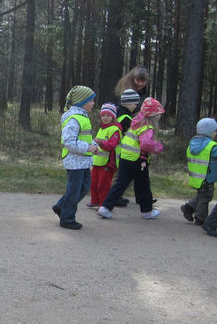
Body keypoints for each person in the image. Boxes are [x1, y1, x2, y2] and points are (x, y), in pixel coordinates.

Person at [97, 97, 165, 220]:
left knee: (120, 184)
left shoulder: (135, 123)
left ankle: (105, 207)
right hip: (138, 160)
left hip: (125, 157)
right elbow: (146, 144)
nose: (159, 116)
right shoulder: (147, 127)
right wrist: (158, 147)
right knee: (143, 186)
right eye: (158, 114)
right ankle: (147, 211)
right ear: (153, 115)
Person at [51, 86, 99, 229]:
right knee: (74, 190)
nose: (93, 103)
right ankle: (67, 218)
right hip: (74, 161)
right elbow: (69, 141)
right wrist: (88, 147)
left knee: (83, 188)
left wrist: (94, 144)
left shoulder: (83, 117)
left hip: (83, 161)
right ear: (81, 101)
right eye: (91, 100)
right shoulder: (74, 119)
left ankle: (60, 206)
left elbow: (85, 138)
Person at [181, 118, 217, 228]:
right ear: (209, 132)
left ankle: (189, 208)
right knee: (206, 197)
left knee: (201, 194)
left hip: (197, 177)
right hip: (207, 177)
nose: (216, 133)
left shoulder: (193, 143)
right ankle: (200, 218)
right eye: (214, 131)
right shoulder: (211, 146)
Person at [88, 103, 122, 208]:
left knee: (103, 185)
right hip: (97, 161)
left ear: (113, 117)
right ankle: (95, 200)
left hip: (108, 163)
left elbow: (111, 145)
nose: (105, 118)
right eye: (103, 115)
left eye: (108, 115)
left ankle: (104, 204)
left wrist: (100, 142)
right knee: (93, 183)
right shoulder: (102, 128)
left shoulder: (115, 130)